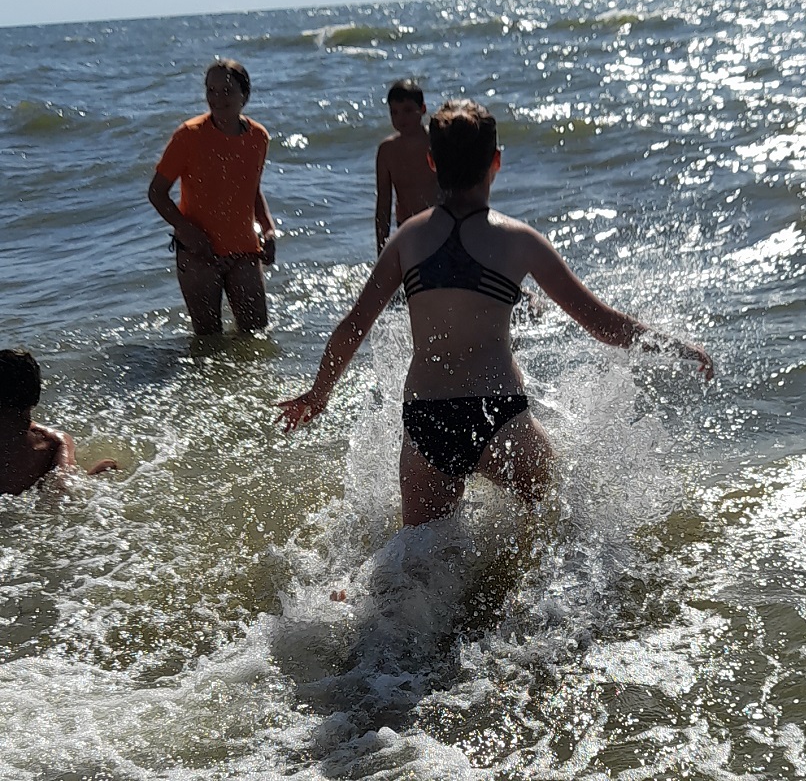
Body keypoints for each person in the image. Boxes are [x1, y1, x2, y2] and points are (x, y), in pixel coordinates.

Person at [277, 99, 711, 526]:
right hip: (499, 413)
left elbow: (354, 326)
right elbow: (601, 323)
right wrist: (676, 346)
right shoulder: (520, 240)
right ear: (496, 162)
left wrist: (318, 395)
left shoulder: (407, 239)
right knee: (554, 530)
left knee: (418, 558)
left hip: (427, 418)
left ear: (432, 162)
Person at [148, 59, 277, 336]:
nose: (217, 99)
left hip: (244, 250)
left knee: (257, 336)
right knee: (208, 341)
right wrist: (186, 231)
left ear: (245, 95)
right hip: (199, 253)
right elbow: (156, 192)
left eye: (227, 91)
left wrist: (268, 229)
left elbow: (252, 189)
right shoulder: (189, 135)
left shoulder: (258, 137)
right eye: (211, 90)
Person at [1, 348, 117, 495]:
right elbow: (62, 487)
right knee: (109, 465)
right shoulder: (54, 442)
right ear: (35, 395)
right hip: (33, 502)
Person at [374, 79, 440, 256]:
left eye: (408, 110)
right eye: (394, 112)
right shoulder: (387, 151)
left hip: (440, 224)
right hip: (406, 227)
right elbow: (383, 202)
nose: (401, 118)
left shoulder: (437, 142)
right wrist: (381, 247)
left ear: (423, 109)